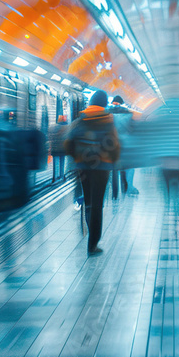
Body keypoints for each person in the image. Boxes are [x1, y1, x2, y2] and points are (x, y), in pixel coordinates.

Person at [65, 90, 121, 255]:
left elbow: (68, 143)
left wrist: (78, 158)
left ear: (90, 102)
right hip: (102, 167)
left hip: (83, 167)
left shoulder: (79, 120)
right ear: (104, 103)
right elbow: (115, 146)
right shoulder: (109, 121)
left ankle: (90, 229)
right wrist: (112, 159)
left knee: (88, 201)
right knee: (98, 204)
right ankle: (93, 244)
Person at [108, 95, 139, 195]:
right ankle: (129, 188)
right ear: (122, 103)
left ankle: (109, 188)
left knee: (108, 167)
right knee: (129, 167)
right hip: (125, 146)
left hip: (109, 145)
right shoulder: (128, 113)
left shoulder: (106, 112)